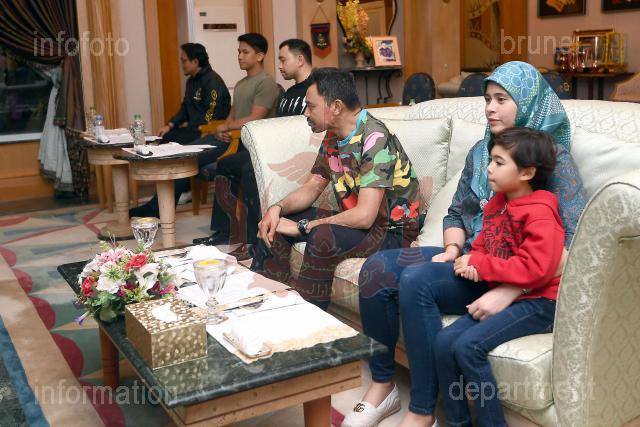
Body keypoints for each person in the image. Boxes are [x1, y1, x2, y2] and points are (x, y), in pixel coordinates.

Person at [344, 61, 586, 427]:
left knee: (417, 281)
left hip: (508, 274)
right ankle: (383, 385)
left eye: (501, 100)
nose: (490, 108)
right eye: (488, 99)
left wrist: (510, 290)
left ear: (527, 102)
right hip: (472, 256)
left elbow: (571, 244)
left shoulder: (549, 159)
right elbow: (457, 213)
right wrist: (453, 250)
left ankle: (422, 410)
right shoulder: (480, 152)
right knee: (378, 268)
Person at [248, 67, 420, 311]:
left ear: (336, 107)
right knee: (274, 221)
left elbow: (365, 215)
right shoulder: (333, 135)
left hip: (391, 233)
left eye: (311, 106)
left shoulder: (375, 138)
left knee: (322, 235)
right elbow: (312, 186)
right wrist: (277, 208)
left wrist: (304, 227)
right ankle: (263, 303)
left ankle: (307, 320)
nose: (306, 113)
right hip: (364, 227)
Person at [435, 127, 563, 426]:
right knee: (443, 343)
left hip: (541, 301)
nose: (489, 168)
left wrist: (482, 263)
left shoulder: (540, 211)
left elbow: (536, 268)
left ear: (527, 173)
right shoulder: (497, 203)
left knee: (468, 347)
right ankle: (458, 422)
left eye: (499, 162)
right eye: (490, 160)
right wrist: (471, 264)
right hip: (507, 291)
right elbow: (484, 245)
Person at [193, 39, 313, 258]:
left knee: (251, 170)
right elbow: (277, 127)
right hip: (277, 150)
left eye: (283, 60)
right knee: (226, 164)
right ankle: (224, 230)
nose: (279, 65)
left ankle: (252, 240)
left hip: (301, 155)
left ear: (300, 59)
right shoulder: (288, 93)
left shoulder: (316, 89)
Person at [129, 43, 231, 218]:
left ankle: (173, 194)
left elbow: (212, 115)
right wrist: (170, 125)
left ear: (195, 61)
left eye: (184, 61)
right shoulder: (191, 81)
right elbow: (185, 108)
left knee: (175, 149)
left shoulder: (213, 81)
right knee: (165, 138)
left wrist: (199, 128)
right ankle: (165, 196)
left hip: (207, 132)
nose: (181, 64)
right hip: (193, 129)